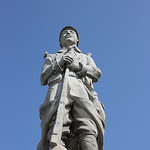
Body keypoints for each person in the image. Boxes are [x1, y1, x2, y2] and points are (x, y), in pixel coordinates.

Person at [37, 26, 105, 150]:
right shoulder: (51, 57)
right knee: (56, 126)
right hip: (57, 91)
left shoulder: (86, 57)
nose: (68, 33)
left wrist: (78, 67)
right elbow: (43, 78)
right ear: (60, 40)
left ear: (77, 39)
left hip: (82, 92)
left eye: (71, 32)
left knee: (88, 125)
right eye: (64, 33)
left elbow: (96, 73)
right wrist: (59, 63)